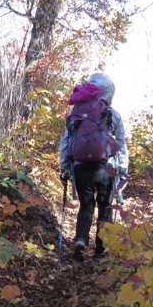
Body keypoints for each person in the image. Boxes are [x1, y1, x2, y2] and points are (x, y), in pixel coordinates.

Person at [59, 72, 129, 261]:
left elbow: (66, 142)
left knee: (86, 205)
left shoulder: (75, 113)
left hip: (81, 168)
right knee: (105, 207)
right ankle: (101, 250)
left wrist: (64, 166)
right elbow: (121, 145)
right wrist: (123, 171)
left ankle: (81, 240)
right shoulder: (112, 115)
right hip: (107, 168)